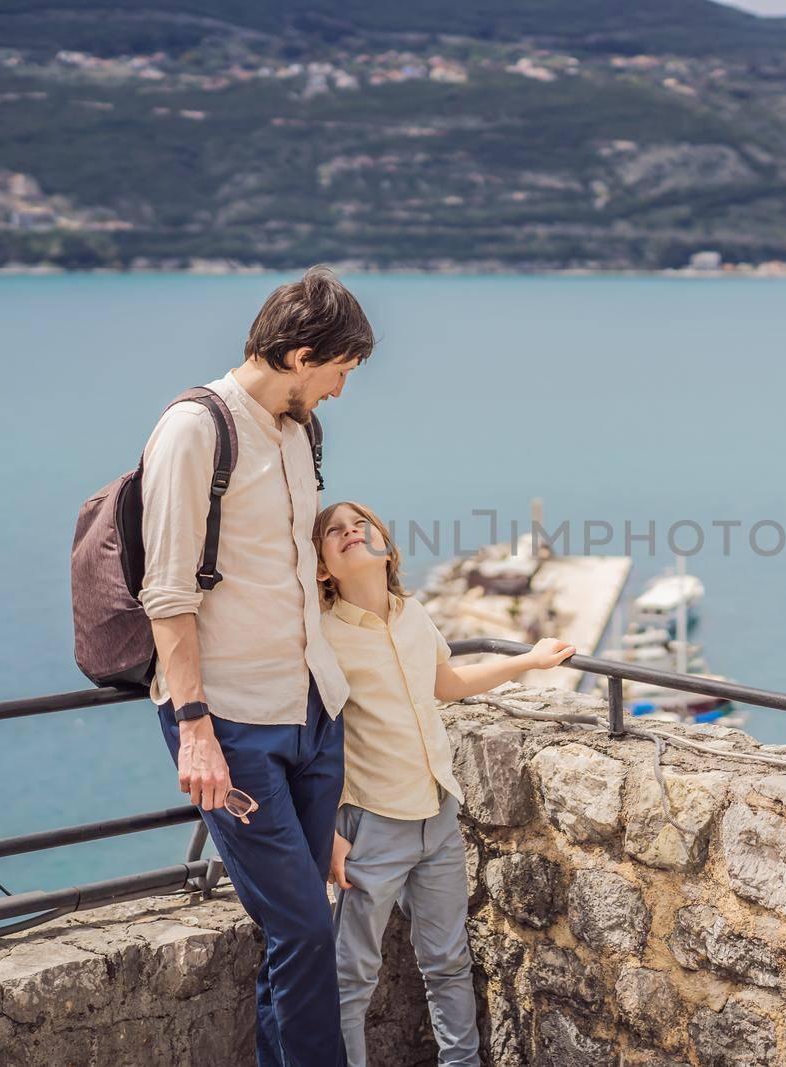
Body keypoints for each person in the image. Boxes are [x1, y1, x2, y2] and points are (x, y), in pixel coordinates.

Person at [139, 266, 374, 1067]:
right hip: (232, 722)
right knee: (305, 926)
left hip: (311, 713)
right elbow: (166, 593)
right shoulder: (195, 428)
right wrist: (194, 729)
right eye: (340, 372)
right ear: (303, 354)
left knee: (303, 931)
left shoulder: (301, 429)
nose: (342, 390)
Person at [313, 500, 575, 1067]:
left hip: (438, 817)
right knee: (350, 983)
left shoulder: (413, 613)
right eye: (335, 531)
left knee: (449, 963)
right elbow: (308, 738)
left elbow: (447, 683)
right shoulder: (321, 637)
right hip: (370, 826)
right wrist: (327, 828)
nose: (352, 532)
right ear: (322, 568)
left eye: (361, 524)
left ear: (385, 543)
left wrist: (528, 661)